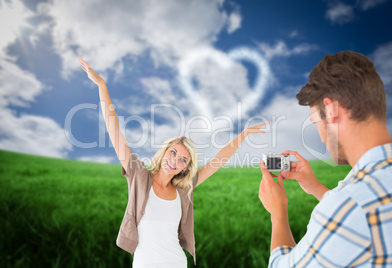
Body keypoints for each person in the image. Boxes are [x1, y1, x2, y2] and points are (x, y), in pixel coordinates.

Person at [78, 57, 268, 268]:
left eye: (183, 159)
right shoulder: (139, 176)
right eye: (173, 152)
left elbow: (218, 161)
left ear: (186, 167)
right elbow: (114, 131)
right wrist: (101, 85)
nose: (175, 160)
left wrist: (243, 134)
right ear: (164, 151)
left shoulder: (183, 189)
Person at [258, 51, 392, 267]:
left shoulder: (350, 205)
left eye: (315, 120)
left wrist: (278, 213)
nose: (321, 137)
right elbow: (369, 213)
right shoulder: (371, 193)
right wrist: (315, 187)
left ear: (332, 109)